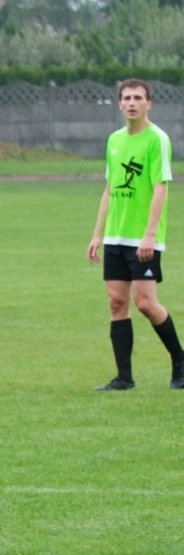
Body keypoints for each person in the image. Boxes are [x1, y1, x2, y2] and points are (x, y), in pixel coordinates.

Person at [87, 79, 184, 391]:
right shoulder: (114, 140)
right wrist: (97, 234)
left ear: (148, 103)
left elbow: (160, 188)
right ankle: (124, 378)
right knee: (116, 302)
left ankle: (180, 361)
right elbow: (109, 188)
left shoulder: (157, 139)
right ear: (119, 103)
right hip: (116, 236)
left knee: (145, 303)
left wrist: (149, 235)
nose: (132, 103)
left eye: (138, 98)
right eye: (126, 98)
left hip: (143, 238)